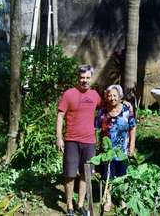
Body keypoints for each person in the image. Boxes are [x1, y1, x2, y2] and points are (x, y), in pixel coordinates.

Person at [56, 64, 101, 216]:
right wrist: (59, 138)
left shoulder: (95, 95)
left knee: (85, 174)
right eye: (82, 77)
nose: (84, 80)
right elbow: (60, 116)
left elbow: (107, 106)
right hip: (71, 141)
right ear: (78, 78)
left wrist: (125, 103)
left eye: (87, 78)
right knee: (70, 174)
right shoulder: (69, 94)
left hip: (89, 142)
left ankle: (80, 204)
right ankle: (69, 205)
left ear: (91, 78)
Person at [95, 84, 136, 212]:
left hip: (122, 150)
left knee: (122, 175)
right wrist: (97, 144)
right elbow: (95, 128)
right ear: (106, 97)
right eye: (109, 95)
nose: (112, 98)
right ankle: (108, 198)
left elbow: (133, 127)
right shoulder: (102, 112)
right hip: (107, 151)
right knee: (108, 175)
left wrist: (132, 145)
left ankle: (121, 198)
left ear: (120, 97)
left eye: (114, 95)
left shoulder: (126, 110)